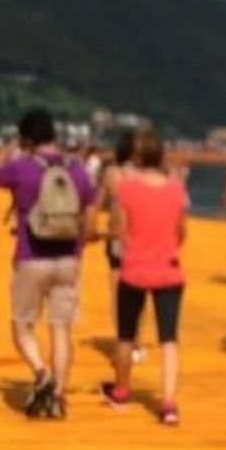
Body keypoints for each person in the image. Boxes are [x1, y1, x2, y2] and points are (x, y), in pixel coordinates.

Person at [0, 110, 95, 420]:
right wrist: (80, 250)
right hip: (68, 258)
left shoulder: (21, 167)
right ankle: (58, 396)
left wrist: (5, 150)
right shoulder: (77, 169)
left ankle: (42, 372)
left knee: (22, 326)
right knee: (61, 329)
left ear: (26, 139)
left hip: (31, 256)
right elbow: (89, 212)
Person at [100, 130, 188, 426]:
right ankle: (169, 403)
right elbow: (181, 231)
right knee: (169, 340)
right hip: (168, 268)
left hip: (135, 267)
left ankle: (122, 390)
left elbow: (121, 230)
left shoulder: (129, 189)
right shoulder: (176, 189)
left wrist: (136, 246)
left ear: (137, 157)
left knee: (126, 334)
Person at [94, 131, 145, 363]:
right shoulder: (143, 174)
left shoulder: (111, 173)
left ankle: (121, 341)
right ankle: (137, 343)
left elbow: (97, 203)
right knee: (140, 292)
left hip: (116, 236)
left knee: (117, 293)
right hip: (141, 237)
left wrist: (92, 229)